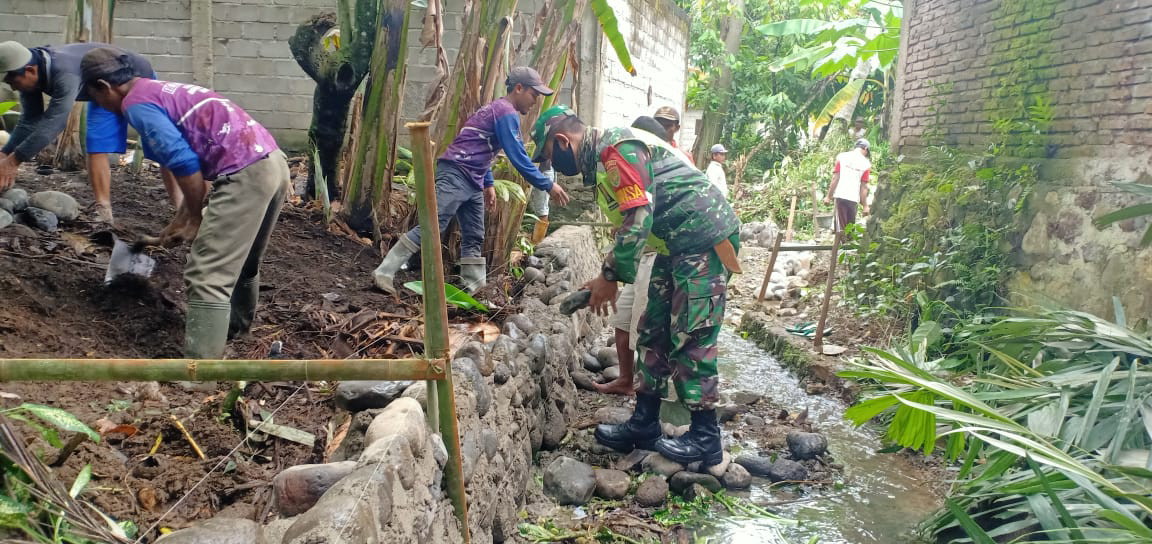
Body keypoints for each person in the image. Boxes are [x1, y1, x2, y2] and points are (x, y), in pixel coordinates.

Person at [532, 105, 742, 467]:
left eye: (550, 157)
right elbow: (632, 221)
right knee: (653, 330)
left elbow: (640, 216)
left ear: (563, 141)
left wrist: (610, 278)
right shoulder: (605, 158)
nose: (555, 168)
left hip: (703, 241)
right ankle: (645, 422)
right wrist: (604, 274)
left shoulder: (618, 149)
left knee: (692, 335)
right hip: (675, 245)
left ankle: (706, 437)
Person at [80, 47, 290, 359]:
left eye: (94, 98)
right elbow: (203, 160)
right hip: (271, 162)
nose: (99, 106)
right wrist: (177, 222)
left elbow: (185, 164)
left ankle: (200, 372)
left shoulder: (137, 105)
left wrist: (195, 217)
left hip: (246, 173)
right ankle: (234, 333)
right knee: (243, 262)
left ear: (104, 86)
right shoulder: (160, 90)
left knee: (206, 274)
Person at [373, 66, 570, 294]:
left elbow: (479, 145)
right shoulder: (506, 112)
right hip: (457, 172)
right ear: (518, 88)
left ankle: (474, 289)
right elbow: (517, 156)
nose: (535, 101)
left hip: (473, 177)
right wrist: (548, 184)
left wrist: (487, 183)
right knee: (432, 225)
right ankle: (384, 272)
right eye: (534, 94)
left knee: (474, 234)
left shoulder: (496, 109)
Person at [0, 41, 181, 224]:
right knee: (96, 145)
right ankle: (103, 211)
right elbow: (30, 120)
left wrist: (14, 161)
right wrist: (5, 153)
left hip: (136, 80)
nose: (14, 88)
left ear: (30, 70)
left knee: (160, 145)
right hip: (102, 91)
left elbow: (54, 123)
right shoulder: (30, 72)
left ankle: (182, 207)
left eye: (13, 82)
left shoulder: (64, 73)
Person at [824, 138, 872, 234]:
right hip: (853, 199)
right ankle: (846, 246)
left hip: (840, 196)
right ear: (865, 148)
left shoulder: (842, 157)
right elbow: (863, 187)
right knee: (850, 229)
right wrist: (865, 206)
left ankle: (839, 247)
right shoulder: (866, 164)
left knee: (840, 229)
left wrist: (828, 196)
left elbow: (835, 178)